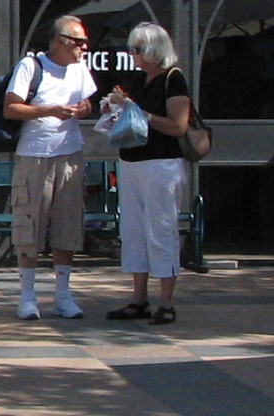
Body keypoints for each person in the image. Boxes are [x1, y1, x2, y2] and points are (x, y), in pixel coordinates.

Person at [5, 14, 97, 320]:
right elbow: (11, 107)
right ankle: (28, 296)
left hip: (69, 154)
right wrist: (50, 110)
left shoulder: (80, 70)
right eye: (78, 42)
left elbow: (88, 104)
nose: (83, 47)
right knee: (29, 224)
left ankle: (62, 294)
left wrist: (84, 108)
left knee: (67, 226)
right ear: (59, 41)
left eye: (85, 42)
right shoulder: (31, 66)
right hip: (34, 155)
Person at [104, 23, 193, 326]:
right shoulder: (141, 79)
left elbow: (178, 126)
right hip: (132, 162)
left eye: (138, 49)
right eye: (132, 49)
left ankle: (166, 301)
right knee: (133, 230)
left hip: (161, 163)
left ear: (155, 50)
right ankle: (138, 298)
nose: (133, 55)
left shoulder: (173, 78)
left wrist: (139, 112)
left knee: (161, 229)